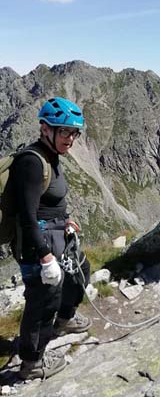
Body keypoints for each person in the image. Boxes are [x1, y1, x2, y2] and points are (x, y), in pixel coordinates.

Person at [10, 97, 92, 380]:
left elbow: (50, 200)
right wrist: (45, 258)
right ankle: (32, 363)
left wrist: (65, 220)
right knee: (43, 300)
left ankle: (65, 319)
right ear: (46, 129)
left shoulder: (52, 156)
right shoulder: (32, 163)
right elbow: (27, 216)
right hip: (36, 245)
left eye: (73, 133)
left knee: (80, 270)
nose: (70, 138)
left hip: (57, 234)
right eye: (64, 131)